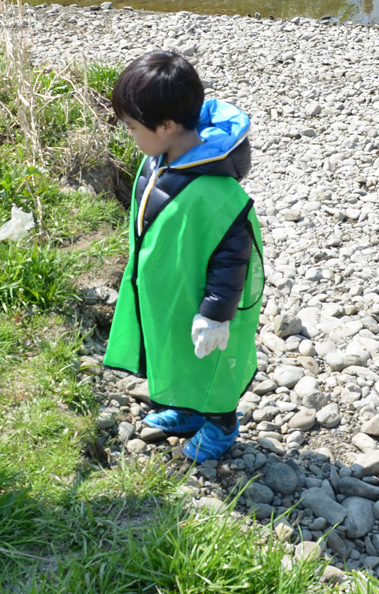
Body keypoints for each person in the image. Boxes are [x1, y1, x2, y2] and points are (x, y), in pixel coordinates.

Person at [103, 50, 264, 462]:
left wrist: (215, 315)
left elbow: (233, 259)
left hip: (200, 301)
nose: (130, 136)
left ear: (168, 125)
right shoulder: (158, 158)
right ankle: (189, 410)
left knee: (209, 364)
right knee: (174, 352)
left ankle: (222, 425)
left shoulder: (217, 193)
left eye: (132, 127)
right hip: (168, 293)